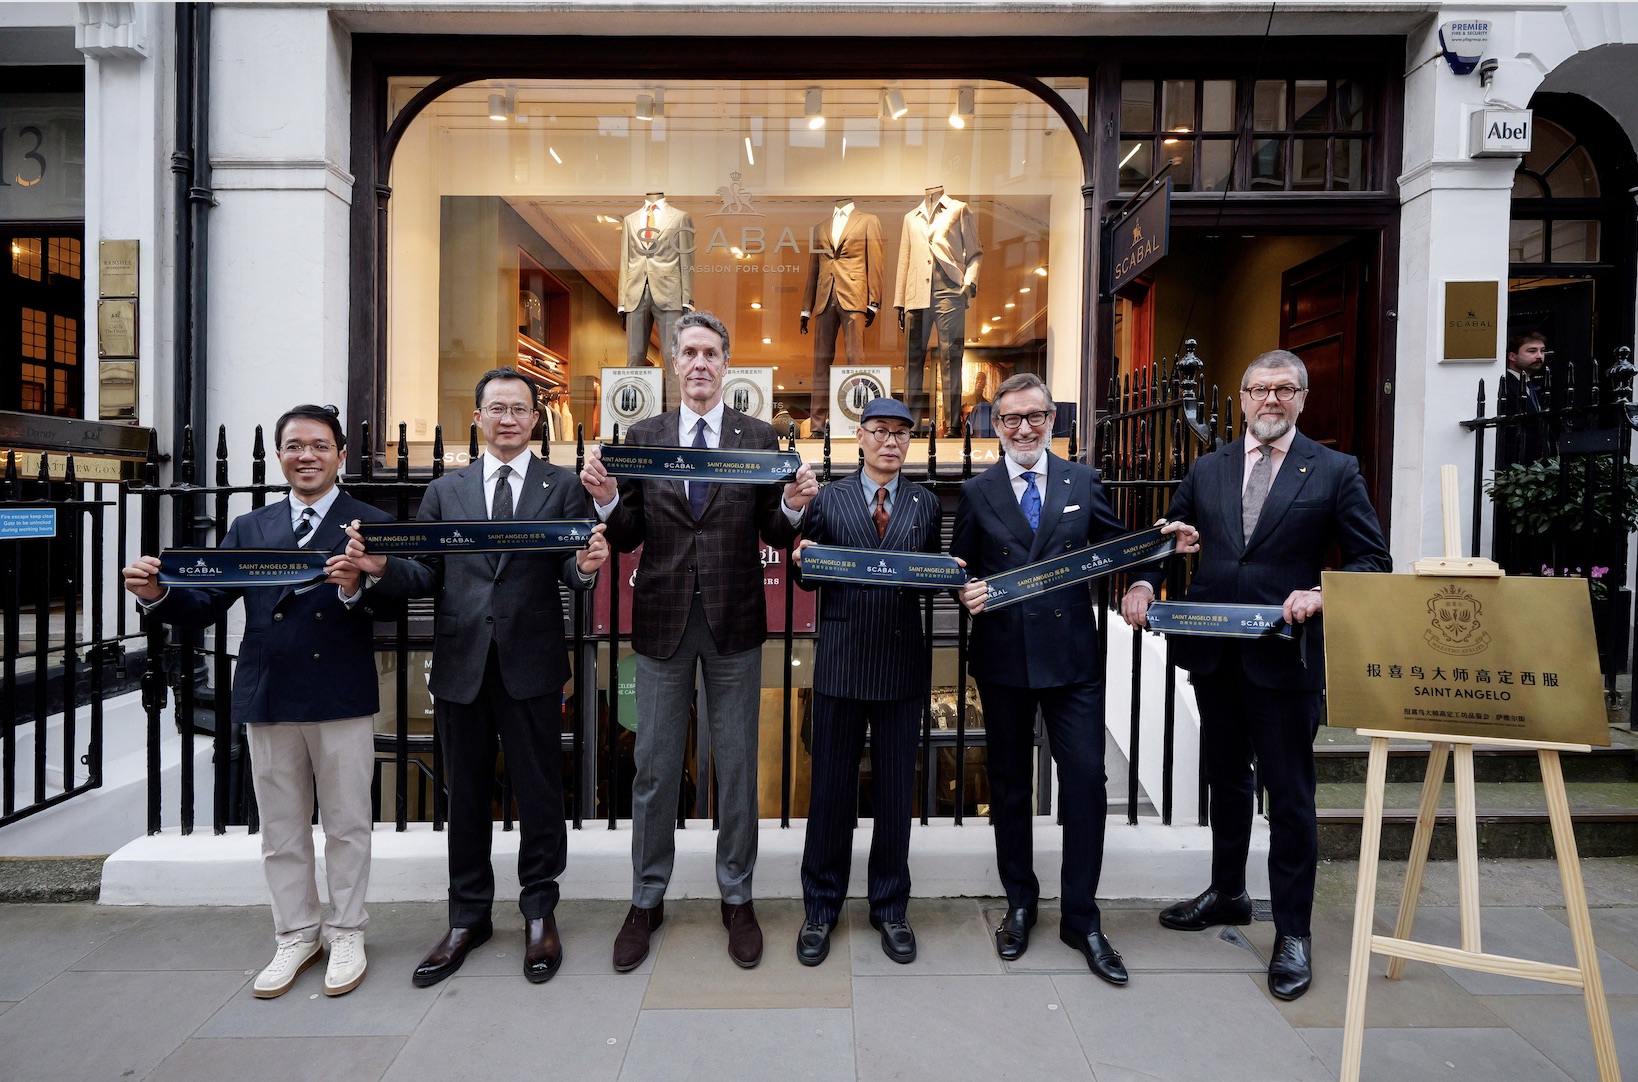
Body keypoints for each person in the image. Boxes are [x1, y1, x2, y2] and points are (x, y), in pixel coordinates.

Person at [1121, 349, 1390, 1002]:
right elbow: (1168, 537)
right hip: (1214, 656)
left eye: (1284, 389)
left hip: (1285, 661)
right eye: (1260, 389)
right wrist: (1145, 580)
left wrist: (1321, 593)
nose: (1271, 399)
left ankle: (1293, 931)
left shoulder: (1334, 470)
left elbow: (1372, 561)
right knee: (1226, 780)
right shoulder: (1208, 468)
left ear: (1301, 399)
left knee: (1290, 797)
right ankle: (1228, 892)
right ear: (1241, 398)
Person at [122, 404, 400, 1000]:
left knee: (348, 825)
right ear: (279, 456)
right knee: (280, 829)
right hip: (269, 692)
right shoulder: (251, 527)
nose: (307, 456)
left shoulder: (370, 521)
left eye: (320, 445)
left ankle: (346, 930)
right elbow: (207, 601)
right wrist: (157, 594)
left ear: (340, 455)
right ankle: (296, 933)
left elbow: (410, 592)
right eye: (295, 445)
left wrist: (362, 584)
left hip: (341, 693)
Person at [347, 367, 609, 988]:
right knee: (463, 797)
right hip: (461, 666)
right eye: (497, 408)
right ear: (478, 417)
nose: (508, 418)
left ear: (536, 419)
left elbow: (570, 571)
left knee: (540, 795)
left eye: (519, 409)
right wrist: (382, 568)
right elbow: (426, 574)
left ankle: (539, 912)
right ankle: (468, 917)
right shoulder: (446, 490)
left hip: (532, 665)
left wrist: (586, 566)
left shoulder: (560, 486)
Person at [580, 310, 819, 972]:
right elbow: (628, 532)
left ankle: (736, 897)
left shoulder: (757, 437)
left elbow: (774, 532)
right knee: (655, 767)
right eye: (689, 352)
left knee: (737, 767)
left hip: (734, 622)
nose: (700, 364)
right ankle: (646, 899)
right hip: (661, 621)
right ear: (673, 363)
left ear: (726, 363)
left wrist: (794, 505)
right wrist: (607, 500)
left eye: (711, 353)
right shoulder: (645, 436)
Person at [950, 372, 1157, 986]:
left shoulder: (1082, 482)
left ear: (1051, 420)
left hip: (1072, 663)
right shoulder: (977, 490)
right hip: (1004, 659)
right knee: (1010, 784)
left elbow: (1123, 548)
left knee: (1087, 781)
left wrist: (1144, 582)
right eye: (1011, 418)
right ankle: (1019, 903)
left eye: (1034, 416)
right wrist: (962, 590)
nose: (1023, 428)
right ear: (996, 424)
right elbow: (959, 567)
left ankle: (1082, 918)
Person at [790, 396, 942, 966]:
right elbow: (807, 579)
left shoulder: (926, 503)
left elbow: (930, 577)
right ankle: (820, 908)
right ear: (859, 437)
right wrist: (803, 562)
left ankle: (890, 907)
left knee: (896, 793)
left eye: (901, 433)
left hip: (901, 665)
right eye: (879, 431)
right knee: (830, 793)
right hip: (841, 662)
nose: (890, 442)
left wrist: (948, 577)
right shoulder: (828, 499)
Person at [894, 186, 982, 436]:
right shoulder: (911, 218)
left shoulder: (959, 209)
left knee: (951, 357)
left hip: (949, 290)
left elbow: (975, 253)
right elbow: (904, 260)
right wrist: (900, 301)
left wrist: (968, 285)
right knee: (912, 361)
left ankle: (953, 425)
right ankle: (910, 426)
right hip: (916, 294)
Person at [800, 198, 884, 428]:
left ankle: (857, 420)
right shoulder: (821, 227)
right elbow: (813, 268)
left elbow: (875, 261)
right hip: (824, 295)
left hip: (855, 294)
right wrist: (806, 307)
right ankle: (817, 424)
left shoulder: (868, 221)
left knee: (855, 360)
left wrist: (874, 300)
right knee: (820, 363)